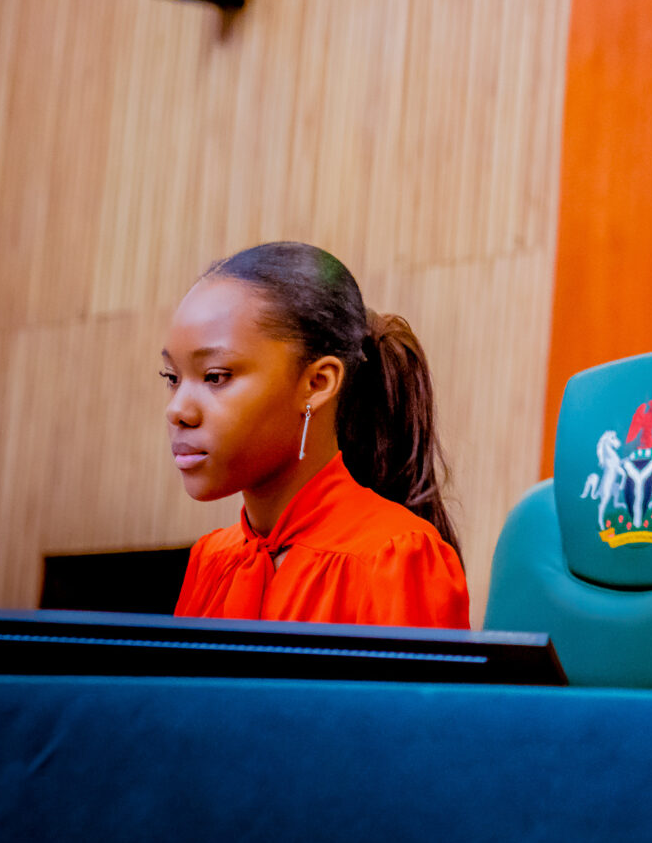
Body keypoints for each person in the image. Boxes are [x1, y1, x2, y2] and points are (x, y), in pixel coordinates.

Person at [164, 241, 470, 627]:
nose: (177, 411)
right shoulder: (210, 560)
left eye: (215, 377)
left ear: (317, 383)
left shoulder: (394, 556)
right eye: (172, 378)